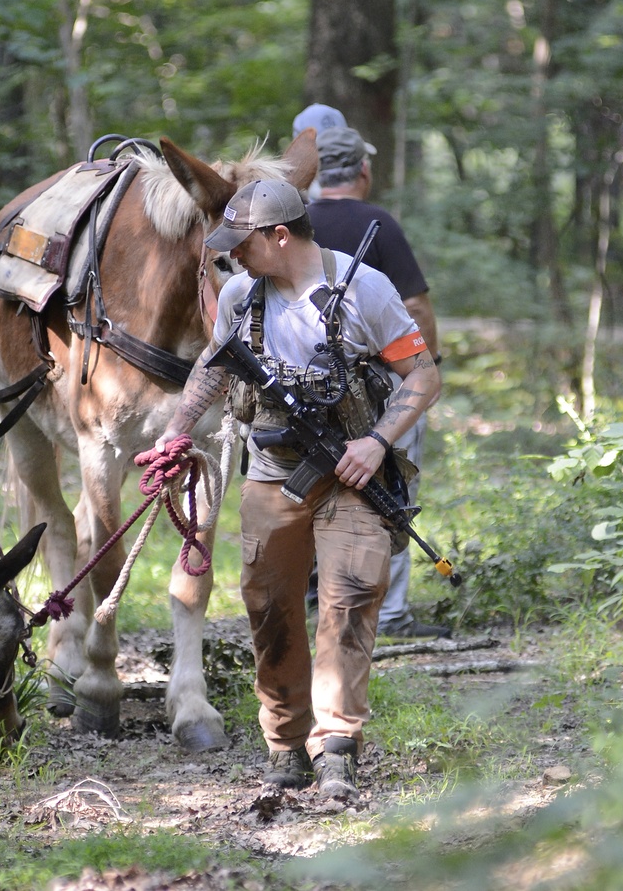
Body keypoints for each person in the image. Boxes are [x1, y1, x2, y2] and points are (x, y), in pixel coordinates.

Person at [146, 178, 440, 796]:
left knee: (351, 598)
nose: (233, 255)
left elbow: (422, 375)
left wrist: (378, 441)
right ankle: (285, 741)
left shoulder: (365, 290)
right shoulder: (239, 295)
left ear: (279, 236)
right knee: (270, 607)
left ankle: (336, 746)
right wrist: (175, 431)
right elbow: (215, 366)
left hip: (353, 475)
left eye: (242, 243)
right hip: (274, 473)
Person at [305, 124, 448, 639]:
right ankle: (388, 614)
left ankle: (313, 601)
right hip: (381, 386)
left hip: (306, 389)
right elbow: (413, 305)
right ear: (363, 170)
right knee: (393, 487)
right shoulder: (379, 224)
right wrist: (427, 369)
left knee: (313, 487)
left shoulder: (293, 226)